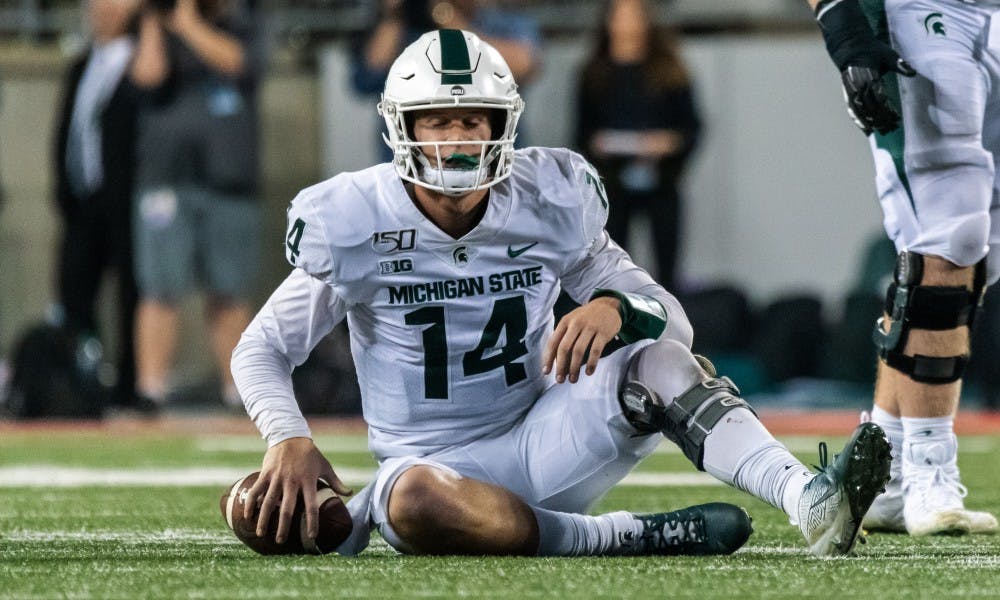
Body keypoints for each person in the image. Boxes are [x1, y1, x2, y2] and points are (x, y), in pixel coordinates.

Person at [232, 29, 891, 559]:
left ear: (503, 127)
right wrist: (286, 435)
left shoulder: (546, 197)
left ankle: (808, 498)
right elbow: (262, 346)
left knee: (653, 360)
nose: (459, 139)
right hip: (431, 473)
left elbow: (674, 326)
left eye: (475, 120)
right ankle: (629, 537)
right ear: (402, 126)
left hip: (545, 436)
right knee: (386, 504)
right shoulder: (353, 218)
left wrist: (614, 308)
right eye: (440, 121)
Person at [810, 0, 999, 535]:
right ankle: (930, 469)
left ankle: (887, 476)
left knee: (982, 248)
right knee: (950, 233)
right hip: (922, 11)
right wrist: (842, 25)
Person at [129, 0, 262, 412]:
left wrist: (187, 22)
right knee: (159, 288)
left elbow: (237, 62)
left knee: (229, 290)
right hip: (165, 179)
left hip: (229, 180)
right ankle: (150, 390)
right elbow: (147, 76)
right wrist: (155, 19)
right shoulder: (153, 24)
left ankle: (238, 392)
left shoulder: (244, 21)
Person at [53, 0, 142, 409]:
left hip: (126, 200)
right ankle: (78, 381)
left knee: (131, 295)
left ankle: (129, 384)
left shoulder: (142, 61)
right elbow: (68, 131)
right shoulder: (80, 65)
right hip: (83, 199)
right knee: (74, 293)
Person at [576, 0, 701, 291]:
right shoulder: (594, 74)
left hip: (662, 180)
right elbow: (581, 135)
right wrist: (600, 150)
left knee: (667, 270)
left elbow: (692, 128)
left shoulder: (670, 70)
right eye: (620, 15)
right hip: (613, 185)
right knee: (612, 267)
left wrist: (669, 144)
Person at [353, 0, 540, 160]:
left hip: (493, 163)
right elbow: (369, 77)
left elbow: (521, 66)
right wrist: (394, 14)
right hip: (409, 170)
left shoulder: (501, 18)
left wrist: (444, 14)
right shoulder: (403, 24)